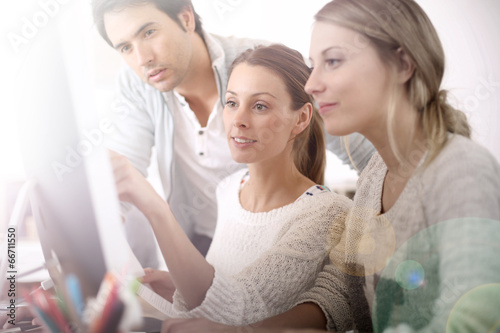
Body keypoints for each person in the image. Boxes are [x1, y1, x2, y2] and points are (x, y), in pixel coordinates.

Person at [159, 0, 500, 332]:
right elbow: (343, 293)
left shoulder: (459, 169)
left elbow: (476, 318)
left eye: (333, 61)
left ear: (402, 65)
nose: (311, 84)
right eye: (313, 64)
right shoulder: (374, 177)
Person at [91, 0, 374, 257]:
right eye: (125, 47)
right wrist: (96, 235)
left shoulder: (259, 66)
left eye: (149, 33)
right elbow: (124, 172)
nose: (142, 59)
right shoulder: (137, 84)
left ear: (186, 19)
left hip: (278, 240)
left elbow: (365, 154)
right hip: (205, 245)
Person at [110, 43, 352, 326]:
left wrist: (155, 208)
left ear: (301, 119)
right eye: (232, 103)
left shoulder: (327, 214)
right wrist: (179, 286)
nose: (238, 121)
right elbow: (228, 288)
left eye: (259, 106)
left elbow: (241, 311)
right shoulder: (230, 188)